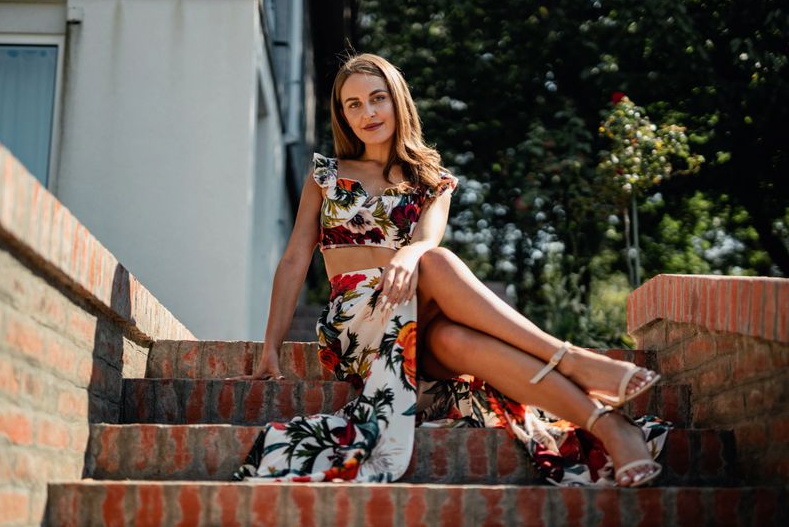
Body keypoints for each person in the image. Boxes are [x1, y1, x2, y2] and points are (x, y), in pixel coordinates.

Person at [233, 52, 668, 487]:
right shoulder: (326, 175)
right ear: (342, 115)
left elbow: (427, 239)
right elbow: (294, 260)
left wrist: (406, 255)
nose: (367, 113)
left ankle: (611, 427)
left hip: (419, 312)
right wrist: (271, 344)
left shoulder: (431, 181)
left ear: (397, 101)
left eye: (377, 98)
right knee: (433, 263)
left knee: (454, 328)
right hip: (359, 325)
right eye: (353, 104)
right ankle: (570, 358)